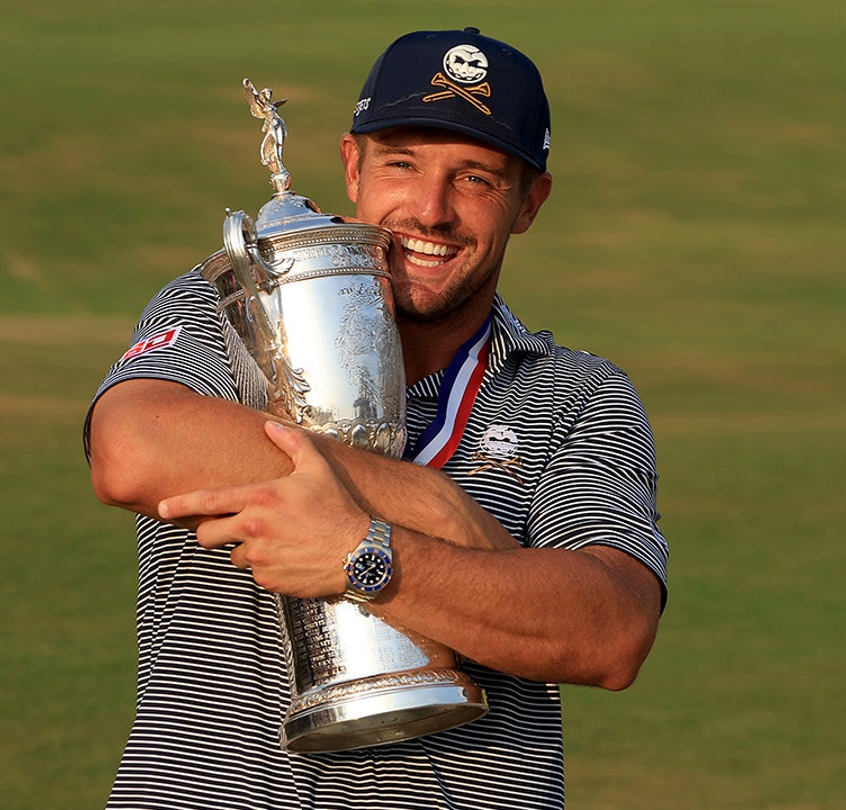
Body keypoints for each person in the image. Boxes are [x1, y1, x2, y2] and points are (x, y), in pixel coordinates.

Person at [84, 27, 669, 810]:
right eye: (402, 164)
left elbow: (610, 632)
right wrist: (434, 507)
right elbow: (132, 447)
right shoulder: (240, 309)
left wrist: (369, 555)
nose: (431, 211)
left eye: (476, 179)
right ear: (352, 166)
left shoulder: (576, 394)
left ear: (530, 202)